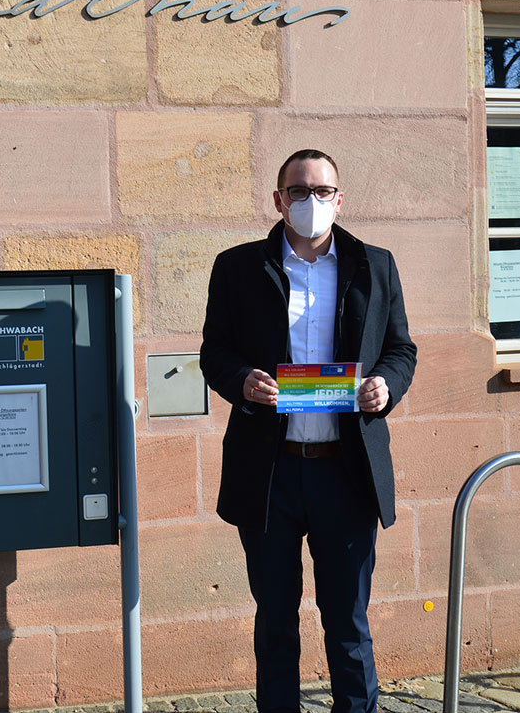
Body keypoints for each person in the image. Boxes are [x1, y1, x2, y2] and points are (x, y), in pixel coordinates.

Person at [200, 149, 417, 713]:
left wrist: (386, 386)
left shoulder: (375, 264)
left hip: (345, 472)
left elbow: (400, 349)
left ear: (340, 199)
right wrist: (242, 380)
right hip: (269, 473)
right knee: (275, 622)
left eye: (323, 191)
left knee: (348, 623)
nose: (312, 201)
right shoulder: (238, 267)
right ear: (279, 200)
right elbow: (213, 353)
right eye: (299, 191)